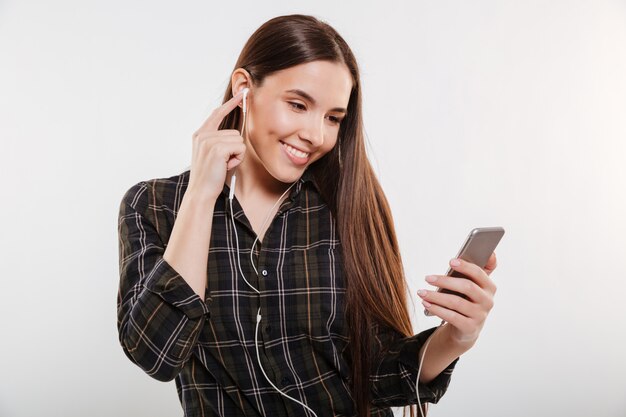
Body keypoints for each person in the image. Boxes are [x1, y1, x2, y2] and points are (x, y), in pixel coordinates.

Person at [117, 14, 498, 417]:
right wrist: (201, 194)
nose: (316, 135)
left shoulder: (346, 206)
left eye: (333, 118)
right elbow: (154, 355)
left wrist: (457, 335)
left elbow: (378, 374)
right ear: (244, 89)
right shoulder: (153, 206)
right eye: (298, 105)